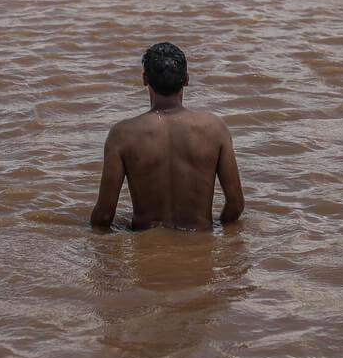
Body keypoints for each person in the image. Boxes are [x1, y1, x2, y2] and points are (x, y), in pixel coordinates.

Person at [90, 42, 244, 232]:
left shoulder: (122, 134)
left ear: (145, 79)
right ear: (186, 79)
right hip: (198, 242)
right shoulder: (215, 129)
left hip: (147, 246)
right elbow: (236, 205)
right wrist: (216, 229)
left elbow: (104, 216)